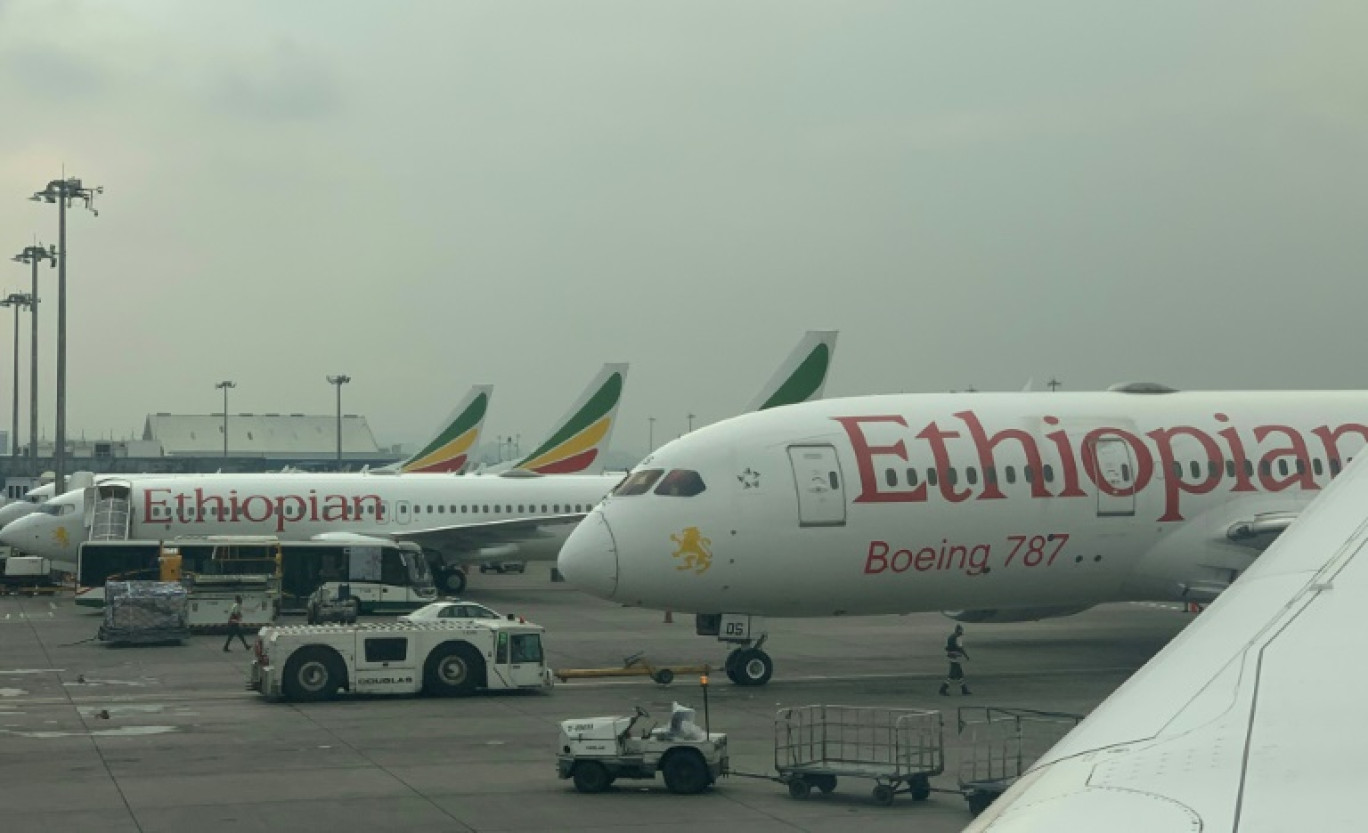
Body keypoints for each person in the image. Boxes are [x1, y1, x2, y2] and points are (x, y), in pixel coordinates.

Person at [939, 624, 971, 696]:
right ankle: (943, 689)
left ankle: (964, 689)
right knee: (952, 675)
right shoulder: (958, 637)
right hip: (956, 658)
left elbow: (946, 647)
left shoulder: (950, 637)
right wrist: (966, 656)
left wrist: (950, 652)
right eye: (961, 630)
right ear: (959, 631)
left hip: (951, 656)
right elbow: (960, 648)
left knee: (960, 674)